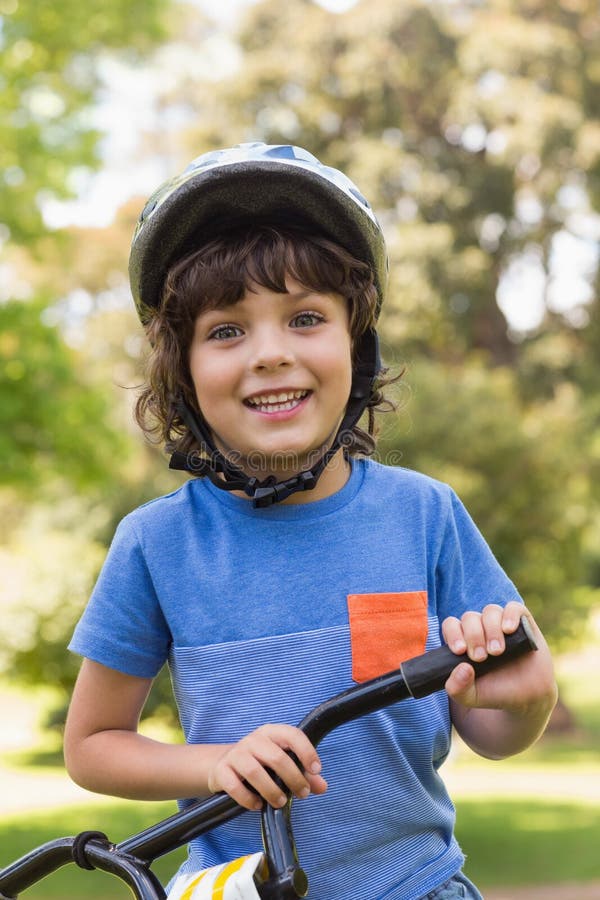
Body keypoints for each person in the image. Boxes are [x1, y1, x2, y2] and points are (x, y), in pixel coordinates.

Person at [64, 143, 558, 900]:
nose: (270, 354)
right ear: (183, 372)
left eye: (304, 318)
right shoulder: (156, 543)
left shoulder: (424, 514)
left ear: (355, 347)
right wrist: (214, 764)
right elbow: (93, 746)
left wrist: (525, 700)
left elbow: (494, 734)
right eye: (227, 330)